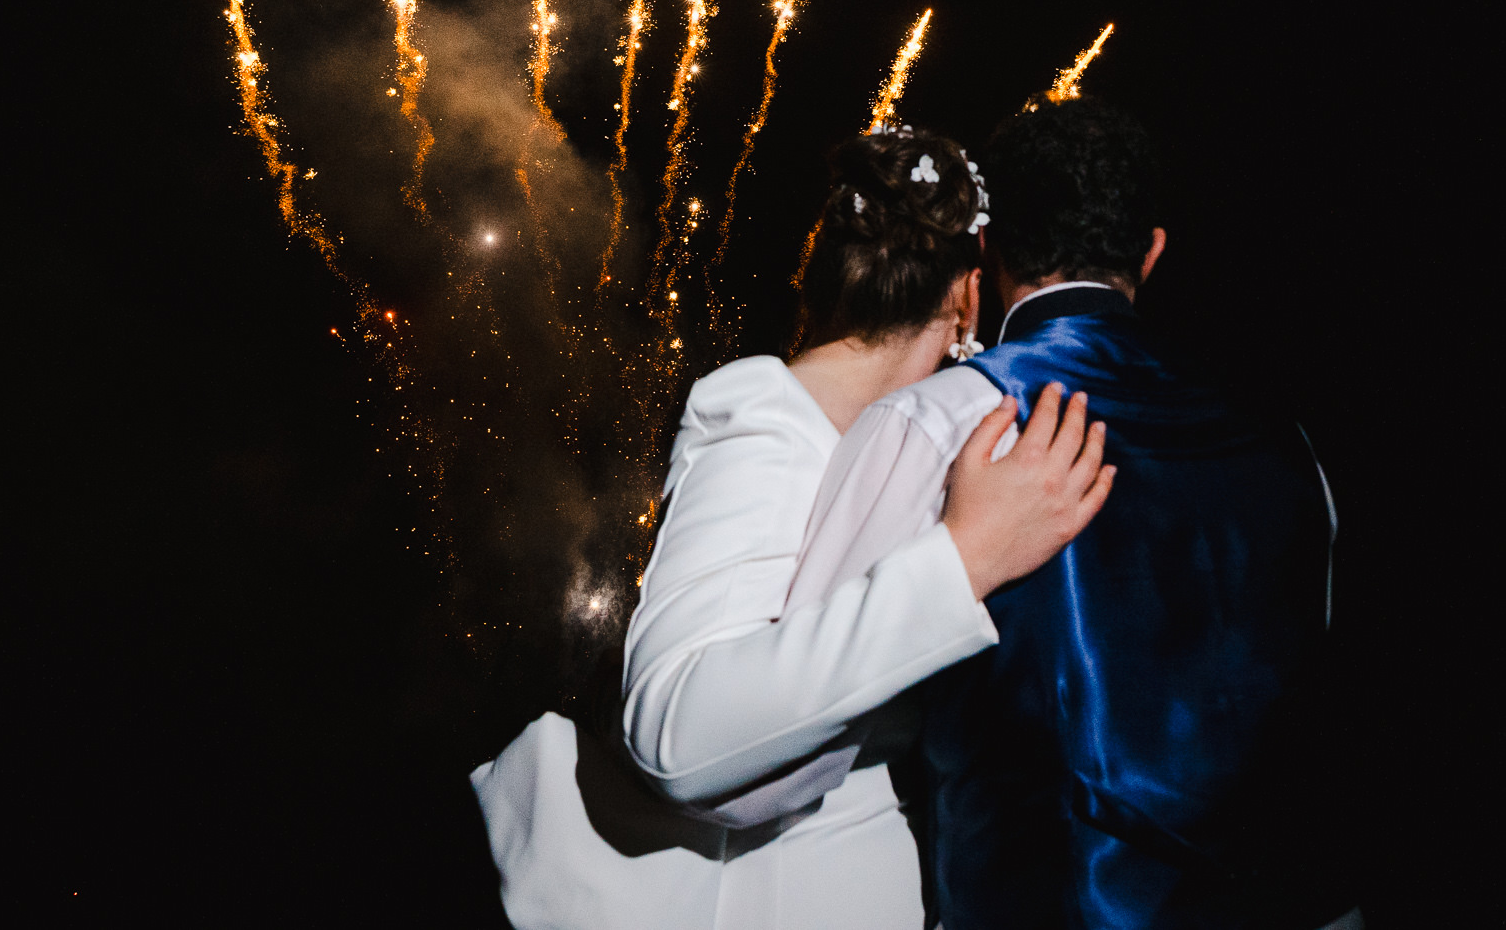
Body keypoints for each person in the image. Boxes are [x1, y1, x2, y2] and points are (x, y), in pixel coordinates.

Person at [470, 129, 1115, 929]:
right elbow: (678, 730)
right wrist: (964, 559)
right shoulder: (764, 417)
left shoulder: (915, 437)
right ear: (967, 296)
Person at [788, 99, 1361, 928]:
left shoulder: (942, 418)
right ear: (1152, 251)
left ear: (985, 247)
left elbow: (801, 708)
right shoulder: (1292, 443)